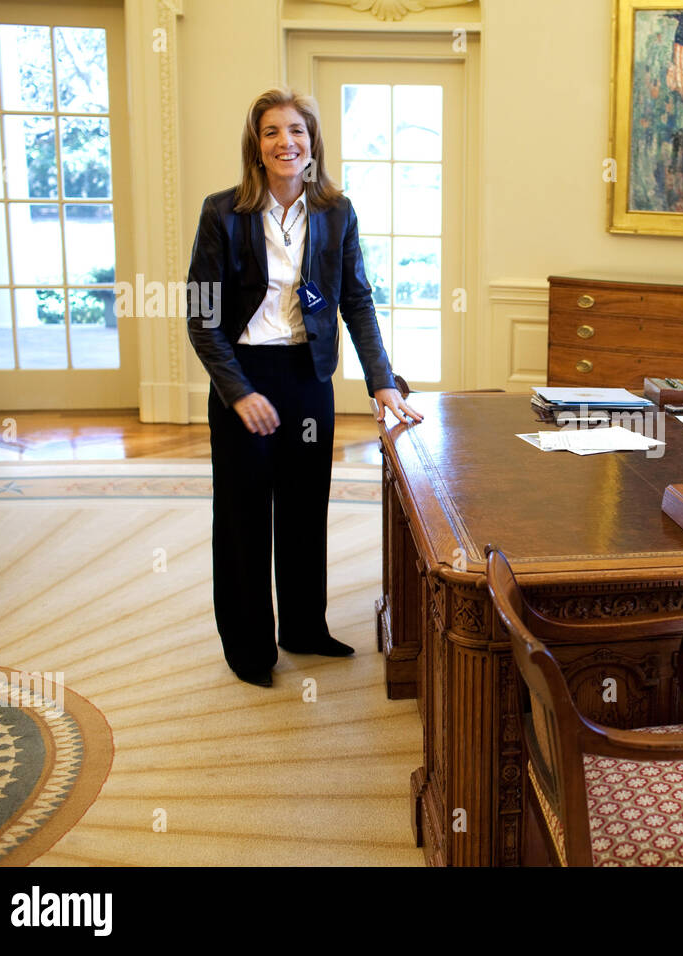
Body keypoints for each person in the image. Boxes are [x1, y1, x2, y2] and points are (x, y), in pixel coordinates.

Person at [186, 87, 423, 688]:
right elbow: (201, 316)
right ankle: (248, 647)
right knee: (242, 515)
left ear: (311, 141)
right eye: (271, 132)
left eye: (296, 130)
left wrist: (381, 381)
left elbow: (356, 300)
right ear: (256, 145)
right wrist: (237, 392)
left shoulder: (336, 212)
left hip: (307, 377)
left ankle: (302, 627)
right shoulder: (223, 213)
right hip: (244, 378)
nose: (285, 142)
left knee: (303, 506)